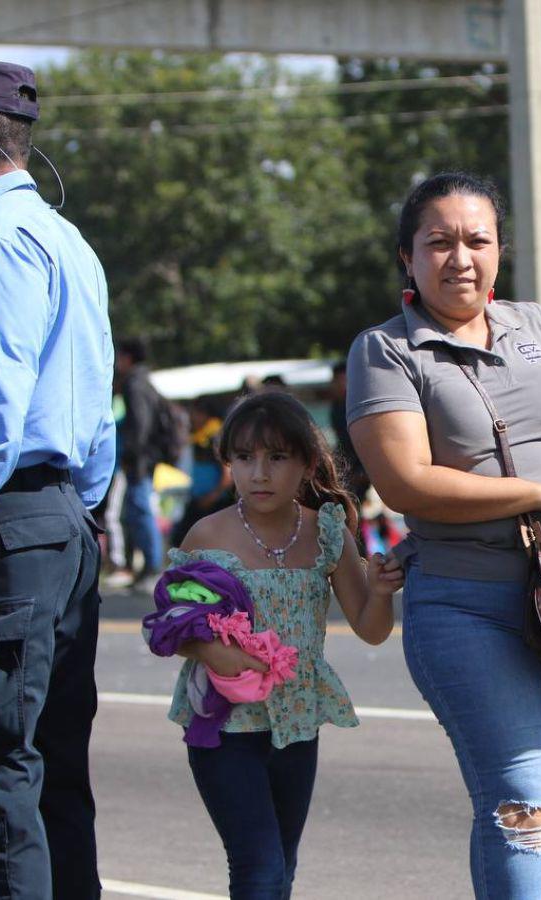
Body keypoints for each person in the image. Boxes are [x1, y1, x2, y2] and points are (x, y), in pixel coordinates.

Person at [346, 172, 541, 899]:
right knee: (526, 813)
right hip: (464, 605)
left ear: (500, 251)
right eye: (438, 242)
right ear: (406, 259)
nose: (461, 258)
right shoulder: (385, 353)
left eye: (477, 240)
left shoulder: (536, 329)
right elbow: (407, 484)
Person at [0, 62, 115, 898]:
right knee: (49, 785)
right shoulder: (66, 242)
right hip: (58, 527)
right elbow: (98, 423)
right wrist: (72, 525)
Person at [162, 391, 402, 896]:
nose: (259, 474)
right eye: (245, 458)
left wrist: (379, 592)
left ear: (307, 462)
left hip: (296, 723)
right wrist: (218, 651)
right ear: (228, 463)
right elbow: (171, 624)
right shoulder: (208, 534)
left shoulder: (329, 533)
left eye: (276, 457)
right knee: (259, 869)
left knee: (282, 867)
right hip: (224, 725)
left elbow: (371, 628)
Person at [115, 336, 166, 588]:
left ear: (127, 357)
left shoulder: (135, 384)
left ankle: (152, 568)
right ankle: (148, 566)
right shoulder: (144, 380)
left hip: (141, 461)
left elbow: (140, 425)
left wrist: (131, 456)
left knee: (141, 511)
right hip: (146, 458)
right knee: (136, 512)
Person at [170, 398, 233, 547]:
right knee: (182, 539)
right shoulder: (198, 437)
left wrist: (213, 496)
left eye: (195, 412)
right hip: (199, 499)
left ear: (206, 414)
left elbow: (227, 473)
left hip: (214, 502)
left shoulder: (215, 437)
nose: (191, 416)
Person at [328, 360, 369, 503]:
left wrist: (364, 471)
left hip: (365, 464)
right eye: (336, 380)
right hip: (349, 466)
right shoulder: (336, 406)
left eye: (342, 379)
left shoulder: (360, 404)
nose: (340, 384)